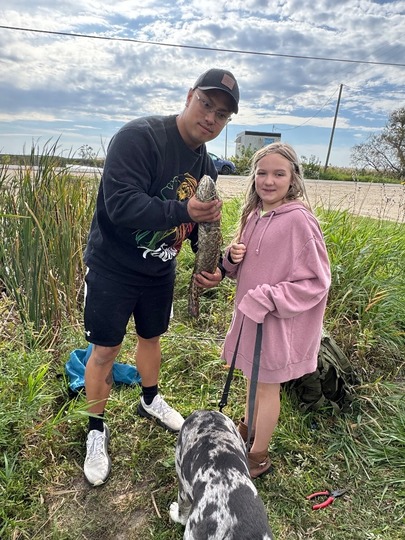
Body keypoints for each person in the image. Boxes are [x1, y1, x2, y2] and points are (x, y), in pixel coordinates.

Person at [82, 68, 240, 486]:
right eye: (206, 104)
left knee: (151, 338)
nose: (211, 117)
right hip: (114, 266)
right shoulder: (139, 137)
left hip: (159, 269)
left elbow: (199, 224)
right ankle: (96, 428)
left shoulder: (205, 164)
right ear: (189, 96)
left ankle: (150, 400)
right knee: (105, 350)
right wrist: (183, 210)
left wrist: (210, 264)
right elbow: (121, 204)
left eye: (222, 114)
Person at [221, 142, 331, 479]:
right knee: (251, 379)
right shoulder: (253, 215)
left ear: (293, 178)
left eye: (279, 174)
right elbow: (242, 267)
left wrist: (271, 297)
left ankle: (258, 455)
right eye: (262, 173)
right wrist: (231, 258)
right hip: (250, 320)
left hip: (275, 323)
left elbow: (317, 280)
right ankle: (247, 429)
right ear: (254, 176)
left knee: (267, 387)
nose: (269, 181)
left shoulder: (300, 221)